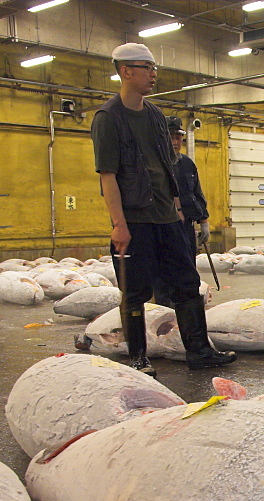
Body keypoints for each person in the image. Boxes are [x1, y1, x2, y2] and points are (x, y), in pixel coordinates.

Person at [91, 42, 235, 375]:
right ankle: (138, 358)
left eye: (154, 68)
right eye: (147, 68)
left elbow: (166, 165)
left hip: (168, 218)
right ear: (126, 71)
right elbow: (108, 176)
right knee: (135, 291)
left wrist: (177, 206)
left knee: (186, 284)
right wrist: (118, 224)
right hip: (135, 220)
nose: (154, 74)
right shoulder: (108, 118)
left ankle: (199, 351)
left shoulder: (155, 115)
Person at [153, 115, 211, 307]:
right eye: (170, 137)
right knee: (163, 272)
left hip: (185, 226)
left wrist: (204, 222)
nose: (175, 142)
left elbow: (196, 192)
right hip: (162, 226)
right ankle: (164, 310)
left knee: (187, 270)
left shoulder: (187, 164)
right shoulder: (154, 164)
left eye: (178, 137)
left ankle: (186, 311)